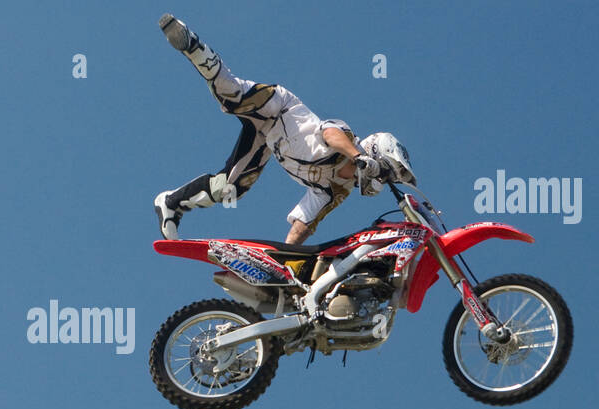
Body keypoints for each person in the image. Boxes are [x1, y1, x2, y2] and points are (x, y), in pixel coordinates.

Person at [152, 13, 415, 245]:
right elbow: (330, 136)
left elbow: (304, 225)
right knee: (231, 94)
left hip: (267, 139)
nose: (382, 179)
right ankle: (191, 44)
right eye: (384, 171)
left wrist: (287, 269)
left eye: (386, 177)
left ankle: (170, 203)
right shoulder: (346, 137)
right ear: (374, 153)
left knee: (229, 189)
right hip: (277, 107)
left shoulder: (335, 190)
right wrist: (359, 158)